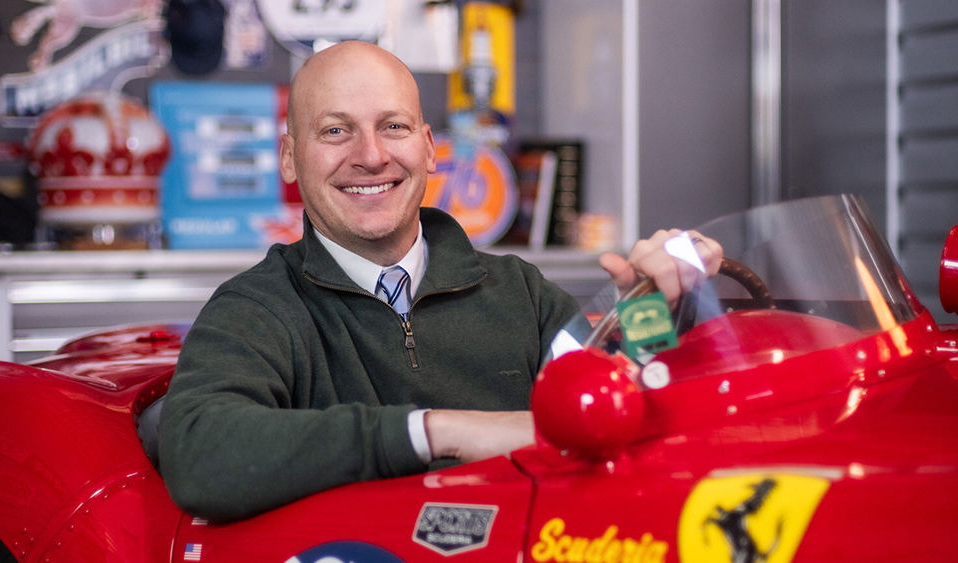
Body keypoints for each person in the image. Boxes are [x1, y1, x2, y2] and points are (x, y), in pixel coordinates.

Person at [158, 41, 722, 522]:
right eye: (335, 131)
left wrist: (657, 307)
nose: (371, 156)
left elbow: (618, 403)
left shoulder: (520, 293)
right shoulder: (257, 308)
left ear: (429, 147)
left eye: (393, 127)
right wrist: (438, 432)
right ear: (289, 158)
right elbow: (200, 453)